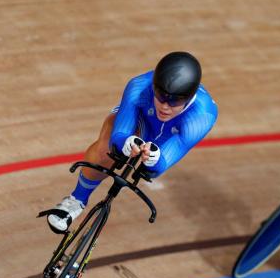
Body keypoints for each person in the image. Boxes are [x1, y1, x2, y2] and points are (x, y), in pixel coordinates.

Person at [47, 51, 218, 233]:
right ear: (154, 86)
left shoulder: (202, 116)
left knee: (149, 167)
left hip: (168, 139)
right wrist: (124, 141)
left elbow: (166, 159)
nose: (165, 106)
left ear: (189, 97)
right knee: (107, 145)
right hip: (141, 120)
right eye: (160, 95)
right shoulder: (139, 86)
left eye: (175, 101)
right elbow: (120, 132)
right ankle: (76, 201)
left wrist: (154, 160)